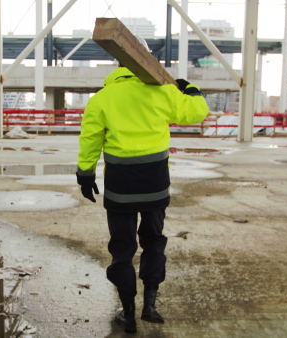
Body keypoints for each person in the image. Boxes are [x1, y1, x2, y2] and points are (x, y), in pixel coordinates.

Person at [76, 48, 209, 333]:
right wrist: (191, 89)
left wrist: (85, 173)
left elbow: (90, 138)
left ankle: (128, 313)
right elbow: (198, 111)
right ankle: (150, 305)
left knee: (122, 248)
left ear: (119, 63)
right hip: (155, 186)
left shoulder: (102, 98)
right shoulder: (163, 92)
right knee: (153, 240)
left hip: (120, 187)